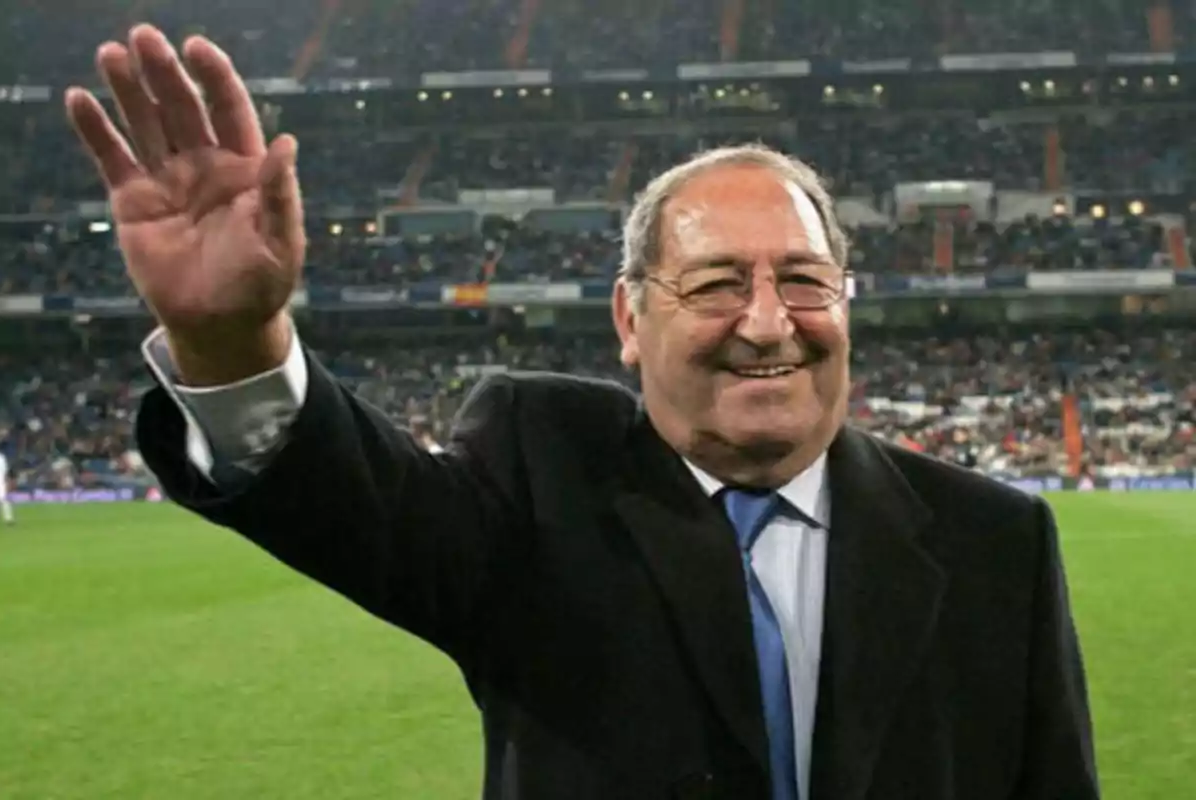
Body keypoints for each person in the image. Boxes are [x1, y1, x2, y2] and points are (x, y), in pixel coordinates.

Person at [64, 25, 1100, 800]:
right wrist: (233, 340)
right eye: (715, 285)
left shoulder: (997, 540)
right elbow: (356, 499)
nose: (768, 320)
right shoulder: (540, 469)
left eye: (805, 279)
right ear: (628, 317)